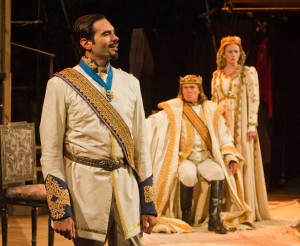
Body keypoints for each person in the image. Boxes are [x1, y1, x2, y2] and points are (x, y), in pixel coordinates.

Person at [40, 14, 157, 246]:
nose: (115, 38)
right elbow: (51, 151)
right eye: (106, 34)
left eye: (113, 32)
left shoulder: (131, 83)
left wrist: (148, 203)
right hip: (85, 192)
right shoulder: (61, 85)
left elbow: (141, 147)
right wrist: (60, 210)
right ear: (86, 43)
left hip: (126, 190)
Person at [147, 74, 253, 234]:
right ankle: (186, 217)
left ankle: (215, 219)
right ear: (181, 90)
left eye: (192, 88)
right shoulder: (175, 108)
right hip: (185, 158)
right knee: (188, 174)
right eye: (185, 88)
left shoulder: (211, 109)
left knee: (218, 172)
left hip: (205, 158)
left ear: (199, 90)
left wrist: (230, 157)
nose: (189, 91)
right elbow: (154, 123)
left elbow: (225, 136)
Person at [211, 36, 271, 221]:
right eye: (229, 52)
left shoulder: (247, 72)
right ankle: (226, 203)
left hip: (241, 122)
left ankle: (244, 205)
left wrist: (252, 124)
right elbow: (214, 100)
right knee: (224, 159)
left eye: (236, 51)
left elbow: (254, 99)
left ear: (240, 53)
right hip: (223, 122)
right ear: (223, 54)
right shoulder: (217, 75)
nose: (233, 55)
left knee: (241, 158)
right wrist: (213, 123)